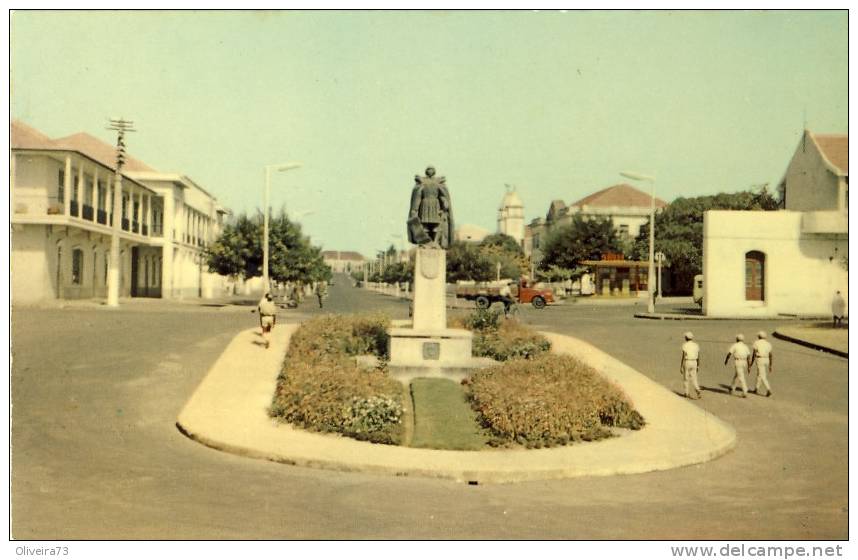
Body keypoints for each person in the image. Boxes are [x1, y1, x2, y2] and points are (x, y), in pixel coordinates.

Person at [724, 334, 751, 398]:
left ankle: (745, 391)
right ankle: (732, 388)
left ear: (737, 339)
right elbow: (748, 356)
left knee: (741, 376)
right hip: (744, 362)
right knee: (737, 375)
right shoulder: (745, 346)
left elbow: (729, 353)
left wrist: (726, 360)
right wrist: (749, 366)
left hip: (738, 362)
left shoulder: (735, 345)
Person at [750, 331, 773, 397]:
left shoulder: (756, 343)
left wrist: (751, 363)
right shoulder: (768, 344)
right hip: (767, 359)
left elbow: (754, 354)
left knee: (762, 375)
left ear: (759, 337)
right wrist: (770, 365)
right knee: (759, 374)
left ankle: (768, 389)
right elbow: (771, 355)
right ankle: (756, 388)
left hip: (760, 359)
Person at [679, 331, 702, 399]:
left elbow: (683, 356)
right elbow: (698, 356)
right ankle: (697, 389)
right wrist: (698, 365)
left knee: (686, 378)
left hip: (687, 362)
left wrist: (681, 366)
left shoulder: (685, 345)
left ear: (686, 338)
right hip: (694, 362)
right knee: (694, 378)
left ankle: (686, 392)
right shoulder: (696, 345)